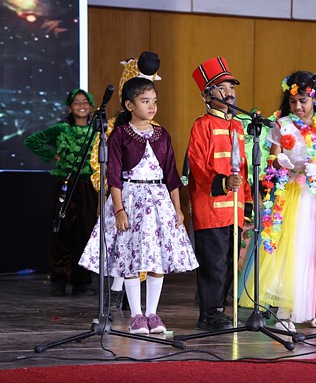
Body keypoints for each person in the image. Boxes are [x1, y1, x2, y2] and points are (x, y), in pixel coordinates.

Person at [240, 71, 316, 330]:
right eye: (293, 101)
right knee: (292, 250)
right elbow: (272, 160)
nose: (298, 107)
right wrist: (280, 162)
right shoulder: (282, 125)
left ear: (315, 99)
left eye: (303, 101)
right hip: (293, 195)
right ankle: (287, 310)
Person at [79, 77, 198, 334]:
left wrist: (177, 208)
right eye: (145, 101)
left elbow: (171, 175)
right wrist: (119, 210)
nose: (152, 106)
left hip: (158, 201)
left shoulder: (162, 134)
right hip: (130, 199)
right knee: (130, 257)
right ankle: (136, 315)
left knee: (157, 258)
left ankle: (152, 313)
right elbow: (114, 177)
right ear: (130, 105)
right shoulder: (120, 134)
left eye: (154, 101)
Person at [88, 51, 162, 311]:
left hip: (148, 200)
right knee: (122, 245)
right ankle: (115, 293)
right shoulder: (111, 127)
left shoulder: (156, 130)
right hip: (120, 196)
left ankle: (135, 303)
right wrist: (107, 195)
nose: (149, 104)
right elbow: (99, 164)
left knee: (142, 249)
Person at [188, 56, 253, 331]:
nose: (229, 93)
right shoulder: (201, 125)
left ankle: (218, 310)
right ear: (207, 95)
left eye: (231, 87)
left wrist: (247, 203)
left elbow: (244, 168)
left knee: (229, 263)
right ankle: (210, 313)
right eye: (222, 88)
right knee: (212, 264)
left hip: (234, 208)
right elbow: (197, 166)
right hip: (211, 208)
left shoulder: (237, 125)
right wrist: (224, 183)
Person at [24, 89, 99, 297]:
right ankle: (58, 279)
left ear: (91, 106)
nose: (81, 105)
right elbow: (31, 141)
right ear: (69, 108)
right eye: (77, 102)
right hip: (66, 184)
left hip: (89, 186)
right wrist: (53, 155)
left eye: (85, 102)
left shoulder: (97, 131)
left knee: (85, 232)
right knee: (61, 231)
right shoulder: (61, 129)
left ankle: (81, 282)